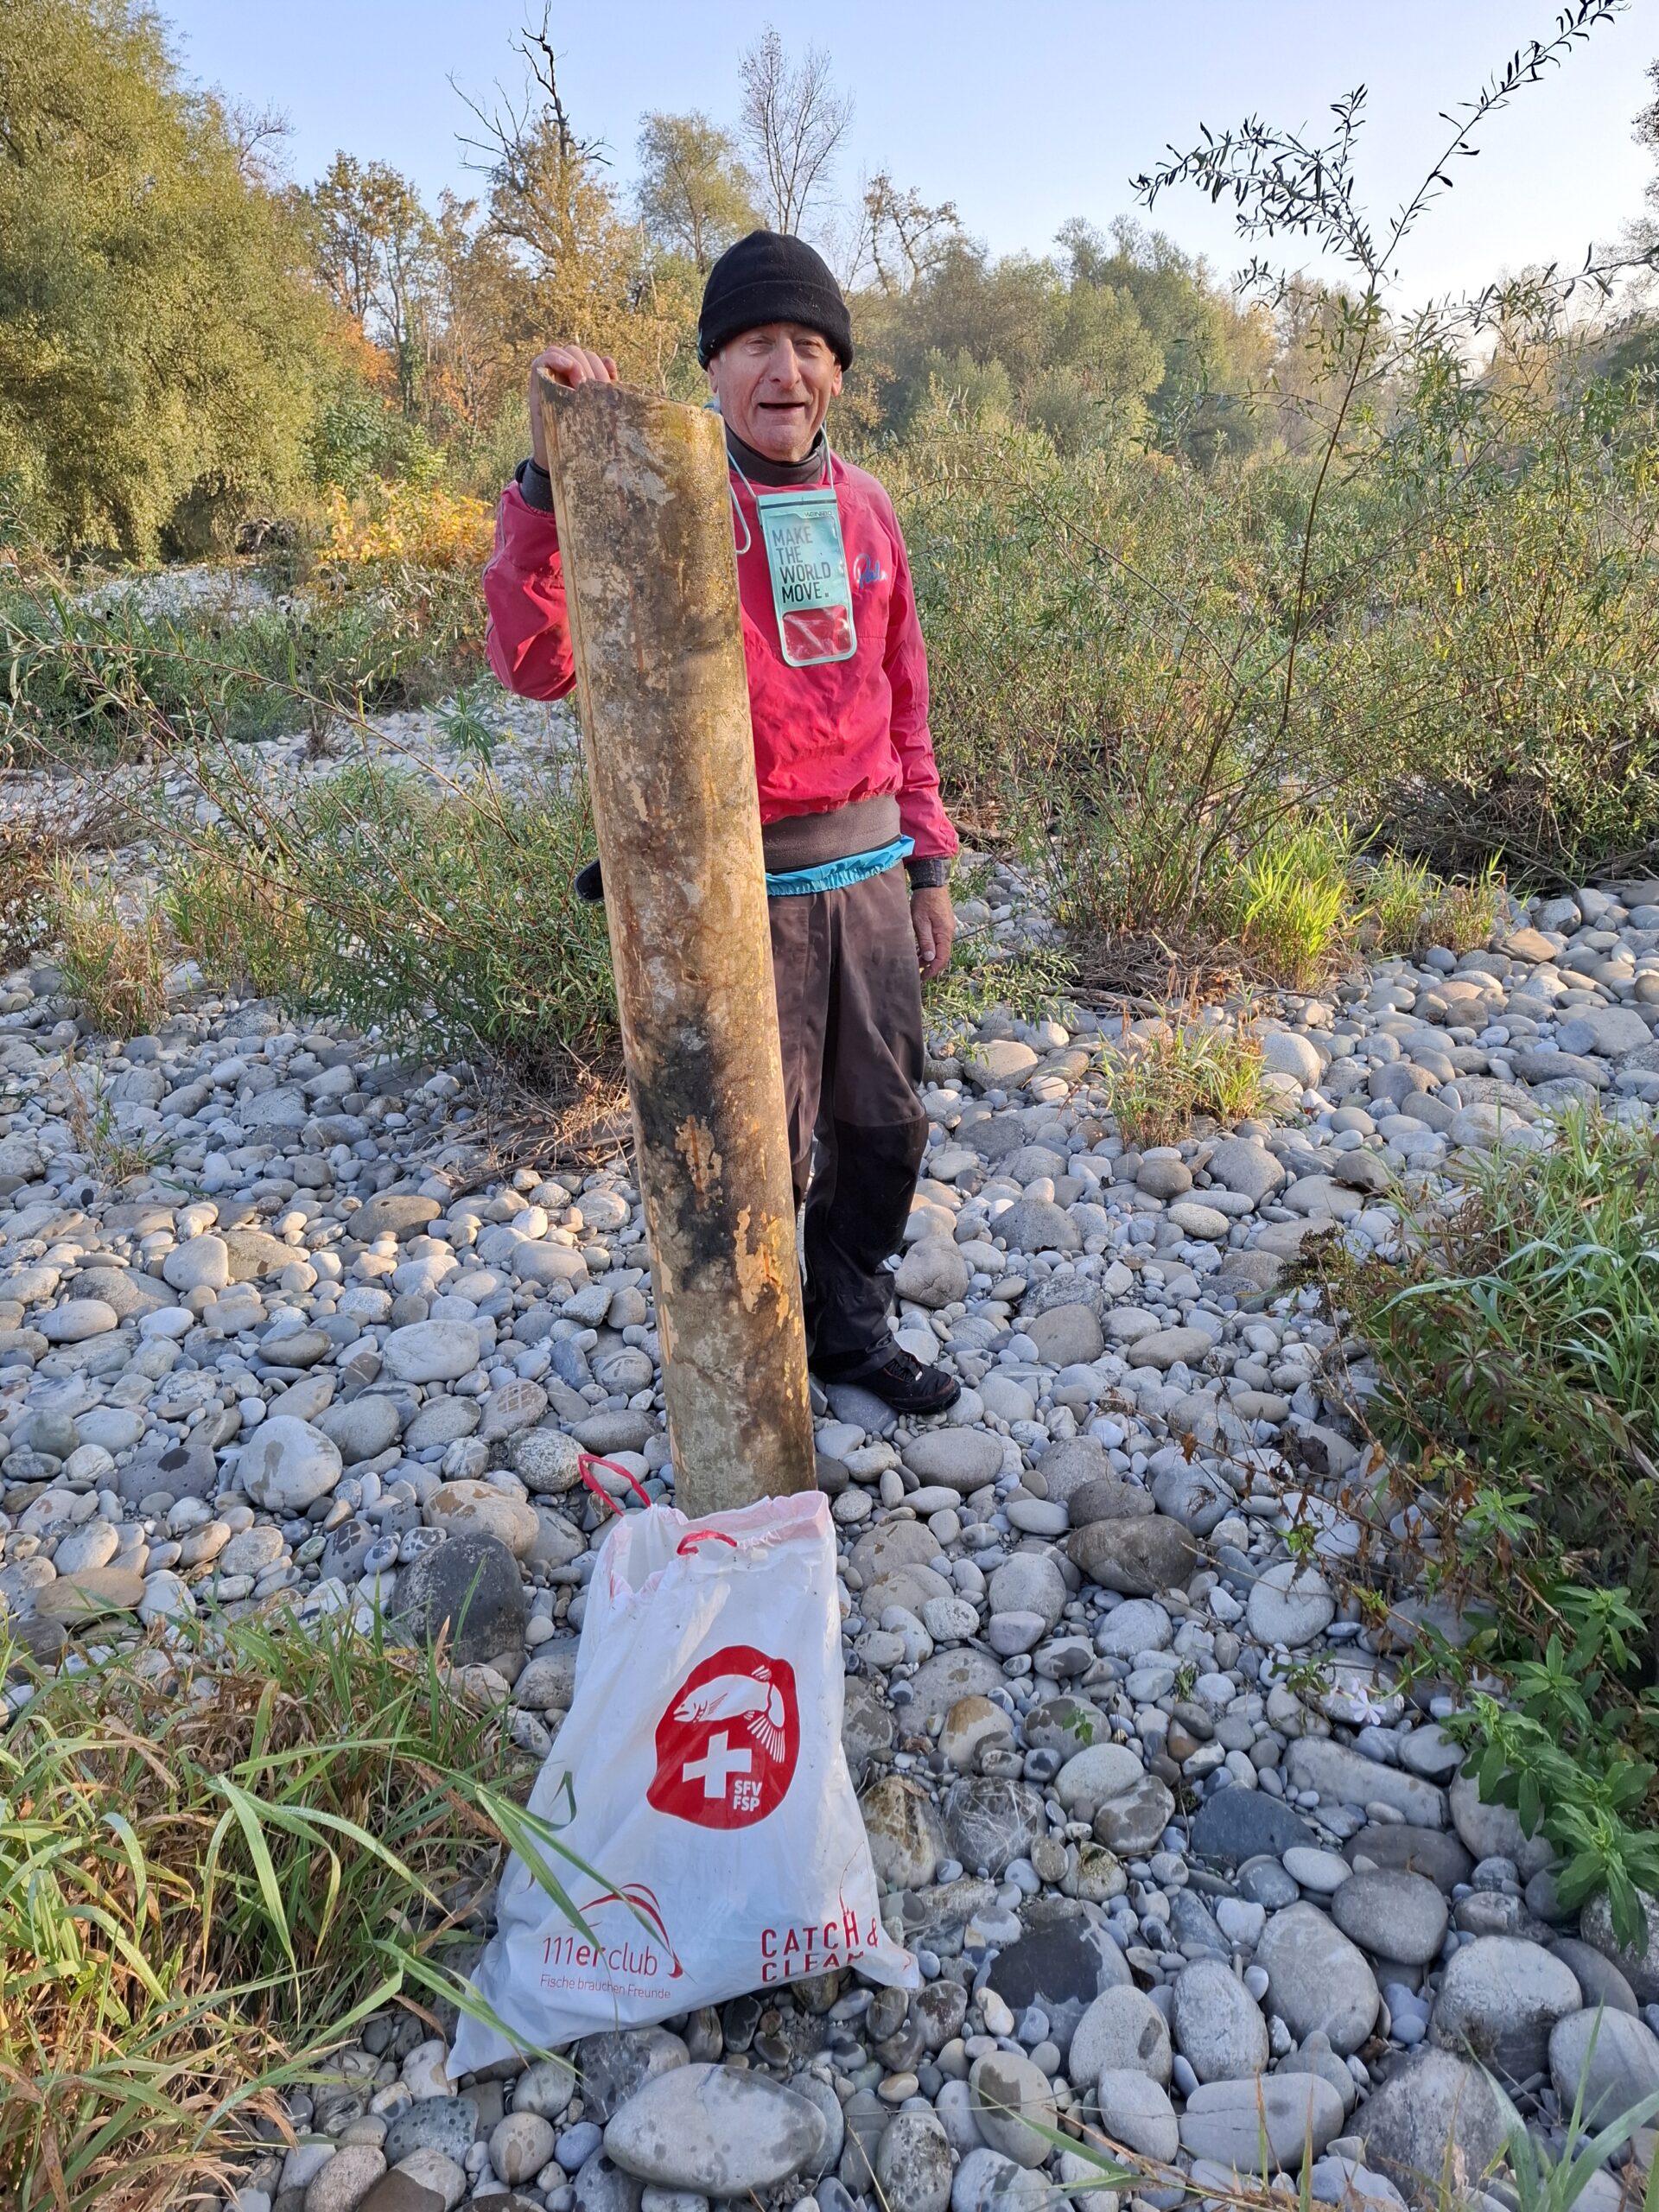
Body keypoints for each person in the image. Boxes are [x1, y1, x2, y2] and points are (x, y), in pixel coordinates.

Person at [484, 229, 961, 1414]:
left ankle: (848, 1329)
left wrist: (931, 863)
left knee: (886, 1125)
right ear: (714, 366)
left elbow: (903, 692)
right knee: (752, 1148)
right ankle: (753, 1379)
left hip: (869, 875)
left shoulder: (868, 510)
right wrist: (561, 474)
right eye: (757, 343)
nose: (784, 369)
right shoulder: (661, 499)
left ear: (839, 372)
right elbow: (536, 661)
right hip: (728, 886)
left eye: (808, 345)